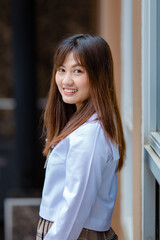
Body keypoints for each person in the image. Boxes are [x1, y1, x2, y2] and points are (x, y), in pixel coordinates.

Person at [36, 34, 126, 240]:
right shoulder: (83, 124)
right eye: (61, 70)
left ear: (98, 75)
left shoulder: (90, 134)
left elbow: (76, 204)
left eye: (77, 71)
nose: (66, 80)